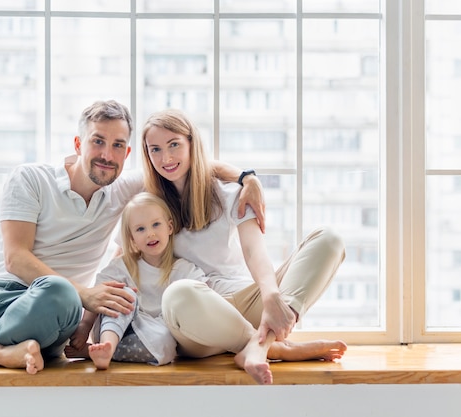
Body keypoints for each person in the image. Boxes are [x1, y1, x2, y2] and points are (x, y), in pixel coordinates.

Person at [0, 100, 265, 374]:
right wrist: (87, 294)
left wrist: (246, 178)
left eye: (118, 145)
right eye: (98, 141)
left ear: (127, 154)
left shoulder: (124, 189)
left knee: (57, 294)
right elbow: (15, 259)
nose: (107, 153)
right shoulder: (32, 179)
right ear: (78, 143)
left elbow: (187, 165)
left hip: (51, 310)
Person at [140, 108, 348, 385]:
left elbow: (254, 251)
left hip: (246, 300)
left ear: (192, 143)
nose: (165, 158)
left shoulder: (229, 193)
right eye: (155, 149)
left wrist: (271, 296)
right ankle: (272, 346)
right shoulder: (147, 202)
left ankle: (258, 346)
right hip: (200, 321)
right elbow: (127, 261)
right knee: (177, 294)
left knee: (329, 239)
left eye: (174, 144)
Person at [72, 192, 207, 369]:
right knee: (124, 293)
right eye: (140, 229)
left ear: (170, 227)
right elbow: (99, 294)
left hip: (152, 335)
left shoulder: (184, 270)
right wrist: (85, 325)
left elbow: (203, 297)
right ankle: (107, 346)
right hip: (113, 329)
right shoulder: (122, 266)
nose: (150, 234)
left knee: (167, 344)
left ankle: (101, 353)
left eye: (156, 225)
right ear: (132, 238)